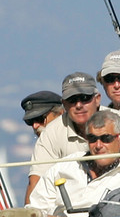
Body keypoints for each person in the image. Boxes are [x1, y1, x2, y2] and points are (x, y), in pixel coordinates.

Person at [26, 109, 120, 217]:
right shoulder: (62, 168)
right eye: (92, 139)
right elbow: (33, 214)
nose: (98, 145)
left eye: (106, 138)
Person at [25, 73, 101, 203]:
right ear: (65, 105)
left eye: (40, 119)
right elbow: (35, 186)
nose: (35, 125)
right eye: (30, 122)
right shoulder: (48, 138)